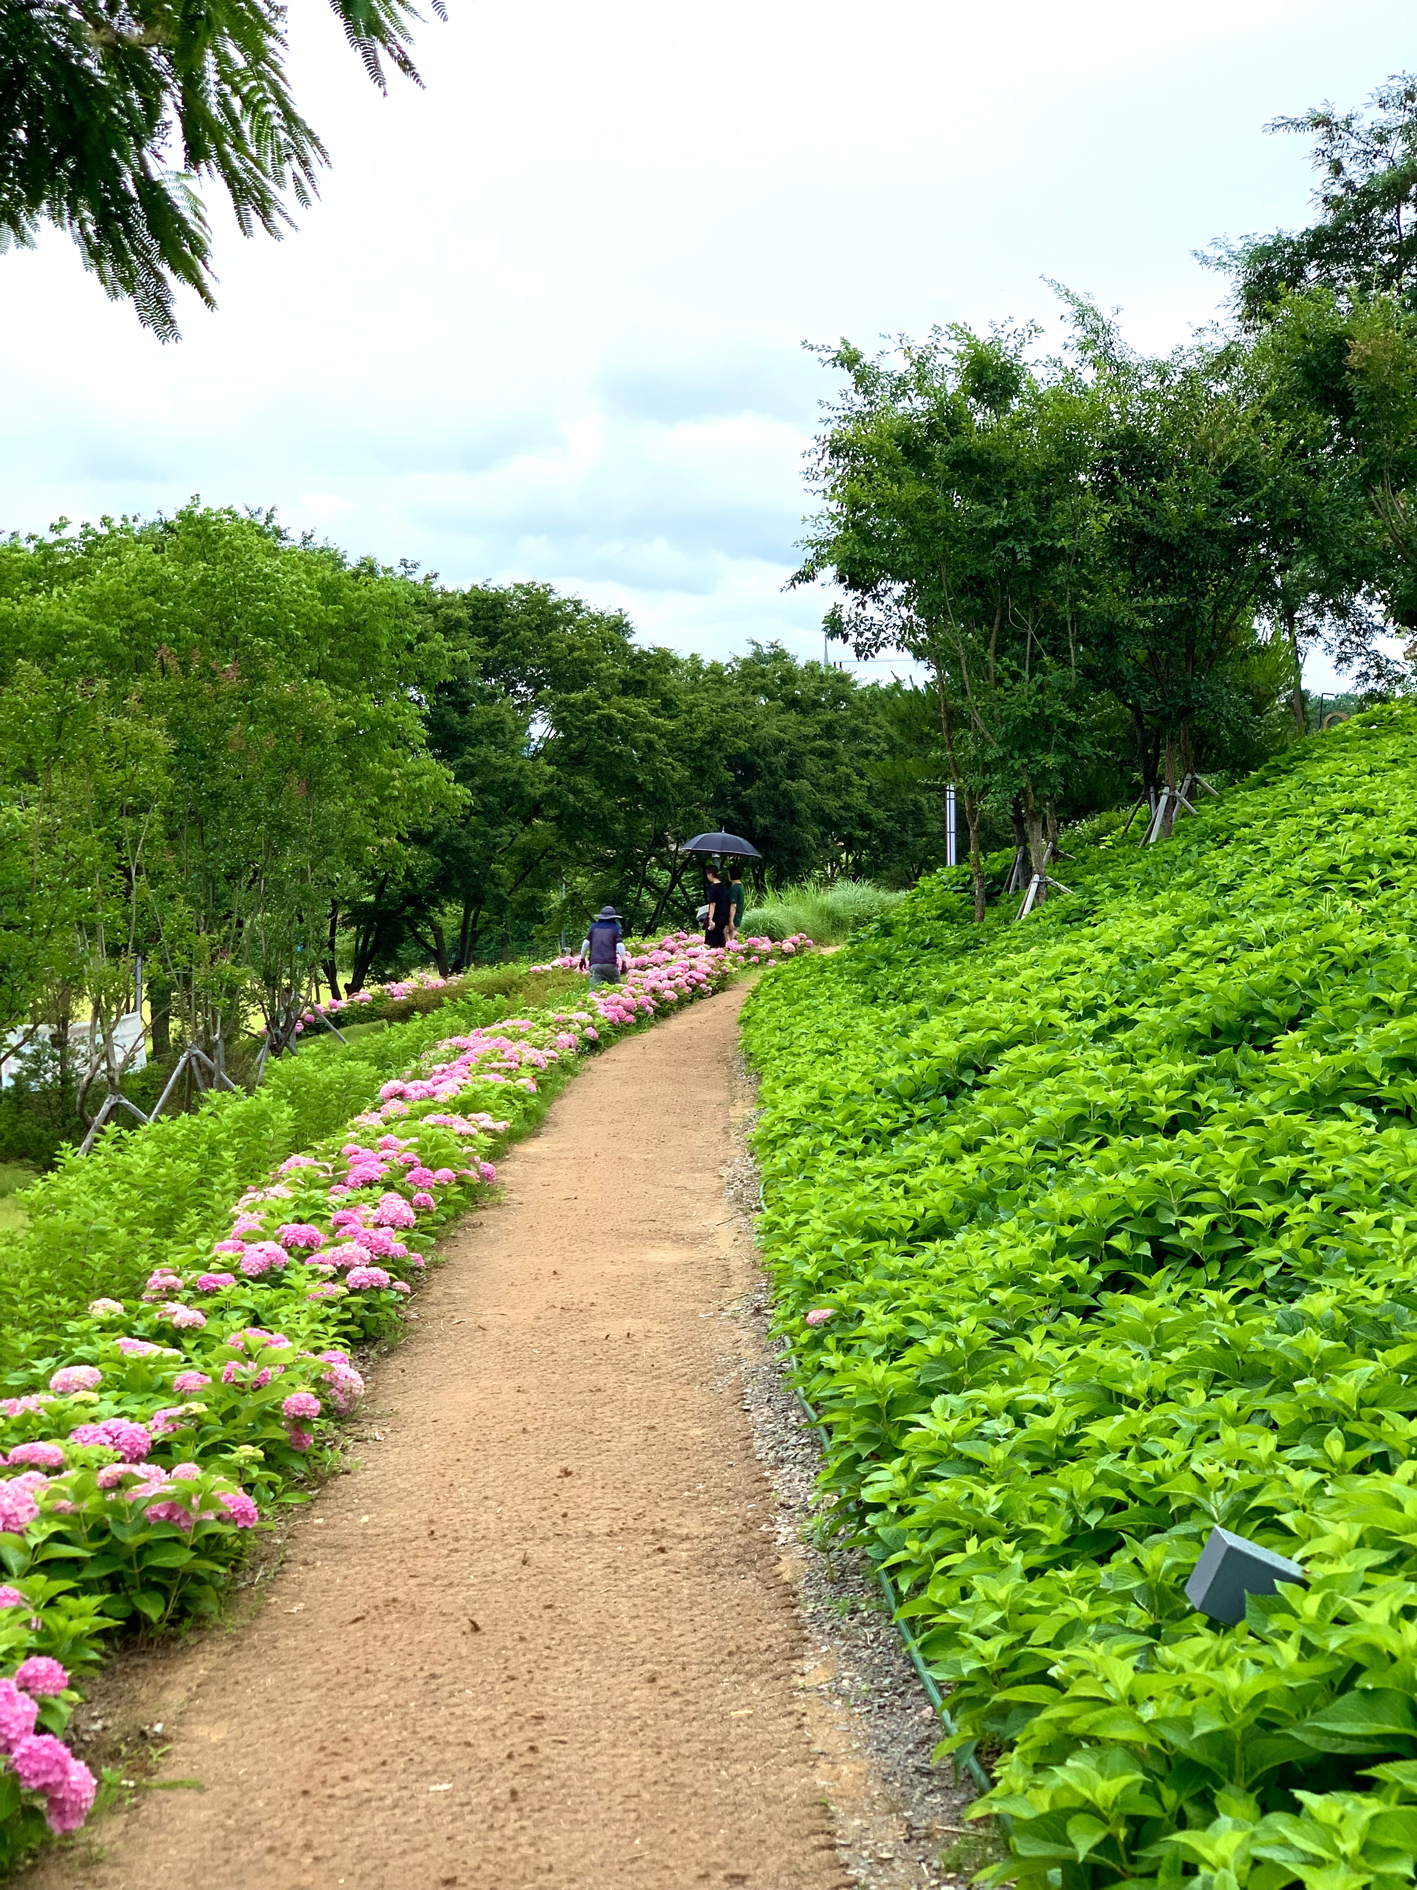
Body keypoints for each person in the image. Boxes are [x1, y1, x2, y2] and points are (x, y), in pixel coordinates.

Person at [577, 906, 627, 988]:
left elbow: (585, 943)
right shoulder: (616, 928)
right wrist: (624, 961)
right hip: (610, 964)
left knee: (593, 990)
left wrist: (582, 959)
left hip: (595, 964)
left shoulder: (593, 927)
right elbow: (619, 945)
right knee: (616, 989)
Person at [702, 864, 731, 948]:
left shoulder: (713, 888)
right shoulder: (724, 887)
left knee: (713, 942)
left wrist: (710, 918)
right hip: (724, 916)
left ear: (710, 874)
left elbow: (712, 904)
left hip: (716, 917)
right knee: (721, 941)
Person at [727, 865, 745, 941]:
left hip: (733, 915)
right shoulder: (741, 886)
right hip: (739, 914)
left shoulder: (734, 887)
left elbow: (733, 904)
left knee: (727, 934)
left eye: (728, 874)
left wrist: (731, 920)